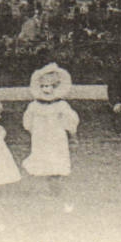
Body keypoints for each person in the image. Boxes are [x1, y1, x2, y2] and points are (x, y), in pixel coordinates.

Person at [21, 63, 79, 194]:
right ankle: (45, 187)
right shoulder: (34, 105)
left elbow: (70, 120)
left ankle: (55, 187)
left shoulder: (61, 105)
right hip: (41, 136)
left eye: (48, 86)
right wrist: (32, 130)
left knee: (56, 159)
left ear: (55, 87)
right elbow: (28, 121)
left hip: (56, 135)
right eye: (42, 86)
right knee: (42, 159)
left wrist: (71, 132)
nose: (45, 89)